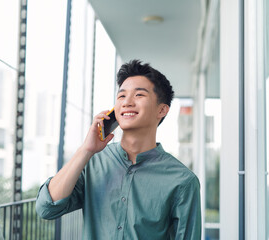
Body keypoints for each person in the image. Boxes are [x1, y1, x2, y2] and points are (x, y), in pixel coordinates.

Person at [36, 60, 201, 239]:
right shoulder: (93, 161)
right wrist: (86, 149)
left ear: (162, 110)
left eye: (139, 95)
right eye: (121, 96)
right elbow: (46, 208)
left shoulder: (182, 181)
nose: (127, 102)